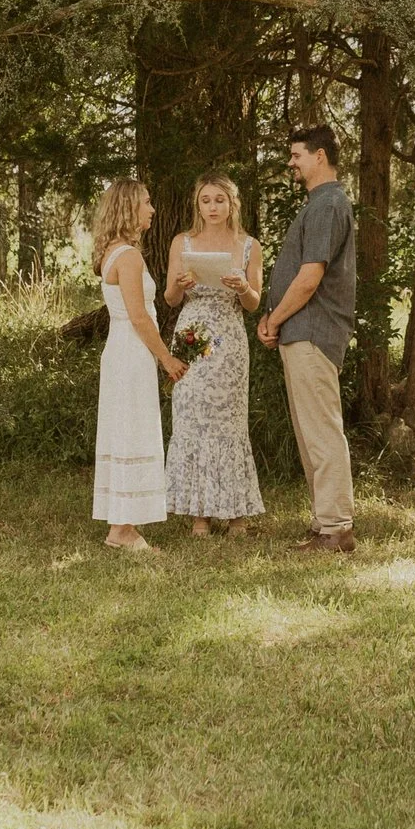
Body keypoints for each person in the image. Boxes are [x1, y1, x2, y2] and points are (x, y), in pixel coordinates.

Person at [258, 125, 359, 553]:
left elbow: (310, 276)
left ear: (320, 156)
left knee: (321, 430)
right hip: (302, 332)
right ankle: (324, 524)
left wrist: (274, 319)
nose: (292, 163)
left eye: (297, 154)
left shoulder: (329, 203)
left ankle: (337, 527)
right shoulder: (320, 203)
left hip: (312, 331)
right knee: (310, 431)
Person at [162, 171, 267, 534]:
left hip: (229, 338)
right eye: (206, 200)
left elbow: (254, 304)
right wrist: (178, 284)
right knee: (192, 415)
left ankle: (235, 512)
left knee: (229, 422)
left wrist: (241, 287)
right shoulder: (182, 242)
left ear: (231, 203)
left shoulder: (250, 245)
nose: (212, 207)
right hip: (192, 332)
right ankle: (199, 514)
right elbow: (170, 299)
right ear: (198, 204)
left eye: (219, 200)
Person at [90, 179, 185, 549]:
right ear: (130, 208)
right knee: (131, 428)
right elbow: (139, 316)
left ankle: (121, 524)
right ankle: (123, 529)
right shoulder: (128, 256)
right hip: (131, 350)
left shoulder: (113, 252)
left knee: (125, 427)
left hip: (122, 350)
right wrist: (166, 358)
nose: (152, 209)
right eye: (146, 202)